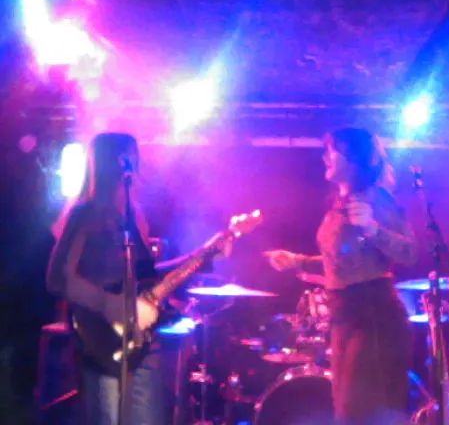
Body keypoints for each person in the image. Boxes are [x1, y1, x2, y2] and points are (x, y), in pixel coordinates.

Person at [46, 132, 230, 425]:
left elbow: (148, 275)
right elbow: (58, 278)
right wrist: (112, 306)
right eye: (129, 156)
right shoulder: (84, 214)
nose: (136, 163)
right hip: (101, 338)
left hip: (140, 340)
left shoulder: (133, 217)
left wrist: (204, 254)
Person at [264, 127, 418, 425]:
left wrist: (373, 229)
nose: (325, 157)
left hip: (373, 315)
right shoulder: (338, 205)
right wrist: (297, 261)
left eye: (332, 151)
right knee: (348, 413)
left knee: (364, 414)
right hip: (344, 316)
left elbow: (410, 252)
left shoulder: (376, 198)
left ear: (353, 159)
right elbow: (340, 262)